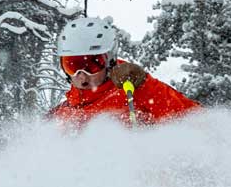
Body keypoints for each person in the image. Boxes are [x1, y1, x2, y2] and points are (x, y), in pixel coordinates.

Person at [47, 17, 199, 127]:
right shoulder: (61, 115)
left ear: (110, 61)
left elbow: (197, 120)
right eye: (71, 65)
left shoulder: (132, 93)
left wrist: (146, 86)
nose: (81, 75)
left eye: (92, 64)